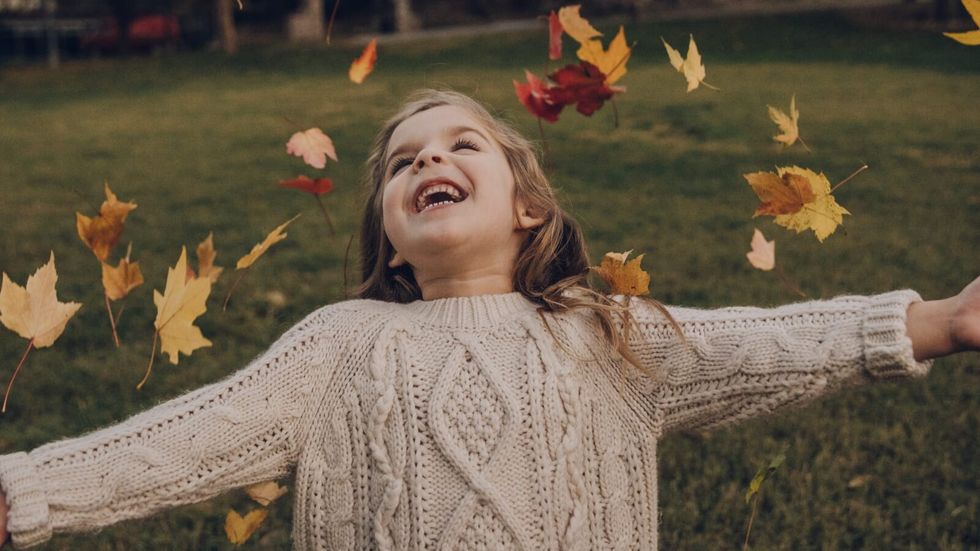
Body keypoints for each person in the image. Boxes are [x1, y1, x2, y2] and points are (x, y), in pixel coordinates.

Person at [0, 89, 976, 550]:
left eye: (460, 143)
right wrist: (27, 490)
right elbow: (185, 439)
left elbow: (759, 344)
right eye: (401, 159)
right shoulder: (342, 343)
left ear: (526, 208)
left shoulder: (596, 334)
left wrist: (931, 321)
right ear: (386, 231)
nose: (428, 160)